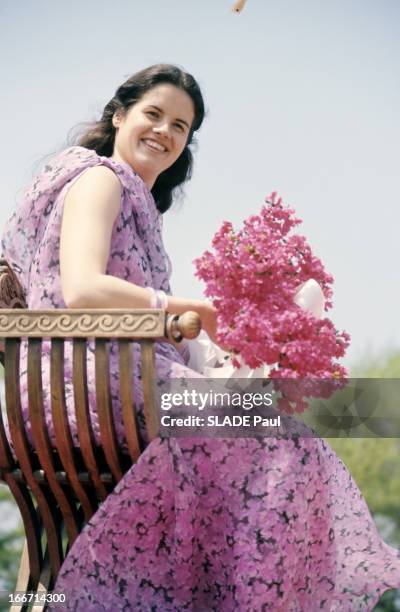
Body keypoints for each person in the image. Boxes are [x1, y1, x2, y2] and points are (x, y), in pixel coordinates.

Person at [2, 64, 399, 611]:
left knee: (273, 433)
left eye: (181, 126)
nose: (165, 131)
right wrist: (196, 312)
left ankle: (235, 370)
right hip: (97, 388)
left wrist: (195, 334)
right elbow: (84, 287)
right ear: (118, 115)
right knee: (287, 446)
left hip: (89, 385)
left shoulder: (130, 199)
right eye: (154, 114)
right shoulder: (99, 178)